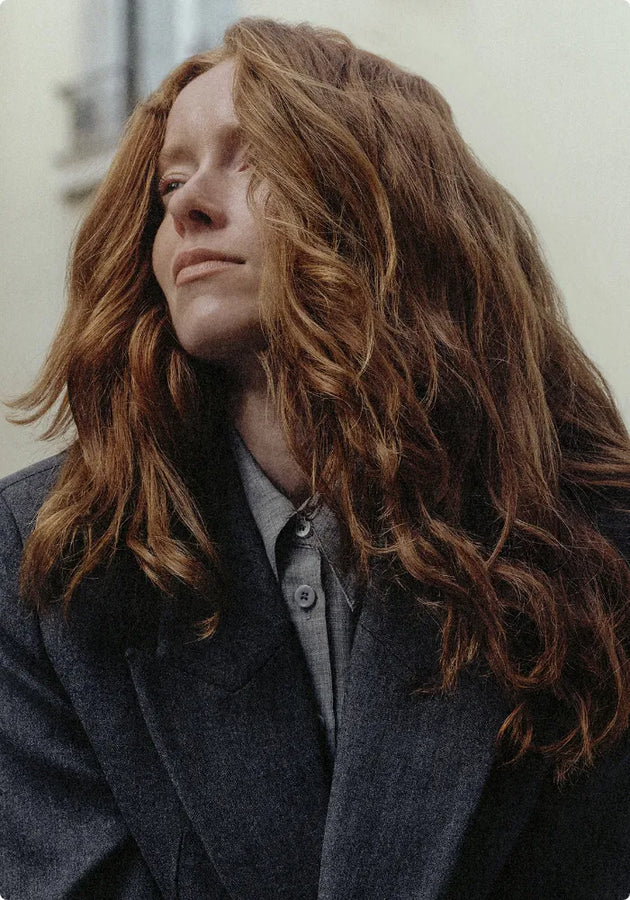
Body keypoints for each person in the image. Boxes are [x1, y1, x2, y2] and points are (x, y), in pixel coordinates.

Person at [1, 16, 629, 900]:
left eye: (251, 157)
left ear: (388, 198)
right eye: (171, 180)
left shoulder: (591, 544)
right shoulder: (48, 558)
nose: (185, 205)